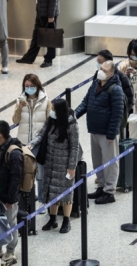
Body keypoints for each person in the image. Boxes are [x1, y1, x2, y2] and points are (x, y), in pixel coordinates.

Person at [75, 60, 124, 204]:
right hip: (94, 130)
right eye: (100, 68)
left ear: (111, 74)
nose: (100, 71)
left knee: (109, 163)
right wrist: (74, 115)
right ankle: (101, 186)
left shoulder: (115, 89)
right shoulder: (95, 84)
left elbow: (117, 114)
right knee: (98, 162)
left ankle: (109, 191)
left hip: (107, 133)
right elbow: (86, 102)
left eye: (105, 70)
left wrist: (111, 133)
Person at [27, 98, 79, 233]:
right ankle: (53, 219)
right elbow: (41, 134)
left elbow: (74, 147)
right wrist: (32, 143)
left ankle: (66, 221)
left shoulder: (71, 124)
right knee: (51, 192)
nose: (52, 111)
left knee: (66, 194)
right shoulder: (51, 121)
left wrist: (71, 166)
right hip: (50, 163)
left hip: (65, 164)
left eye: (54, 109)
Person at [12, 74, 51, 204]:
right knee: (26, 172)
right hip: (23, 142)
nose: (29, 88)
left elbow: (49, 122)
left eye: (32, 86)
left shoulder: (45, 101)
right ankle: (28, 199)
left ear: (37, 86)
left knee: (40, 173)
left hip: (39, 143)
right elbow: (15, 120)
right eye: (26, 86)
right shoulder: (20, 100)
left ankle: (41, 199)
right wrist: (19, 108)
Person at [16, 0, 60, 68]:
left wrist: (51, 16)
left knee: (50, 38)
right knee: (36, 36)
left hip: (49, 14)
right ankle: (29, 57)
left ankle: (49, 59)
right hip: (40, 11)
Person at [0, 121, 23, 264]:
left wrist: (10, 198)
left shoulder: (14, 152)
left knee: (10, 223)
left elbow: (16, 177)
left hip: (8, 197)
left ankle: (10, 252)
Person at [97, 50, 135, 114]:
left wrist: (122, 116)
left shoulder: (122, 78)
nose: (99, 65)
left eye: (100, 62)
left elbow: (129, 100)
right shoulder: (97, 77)